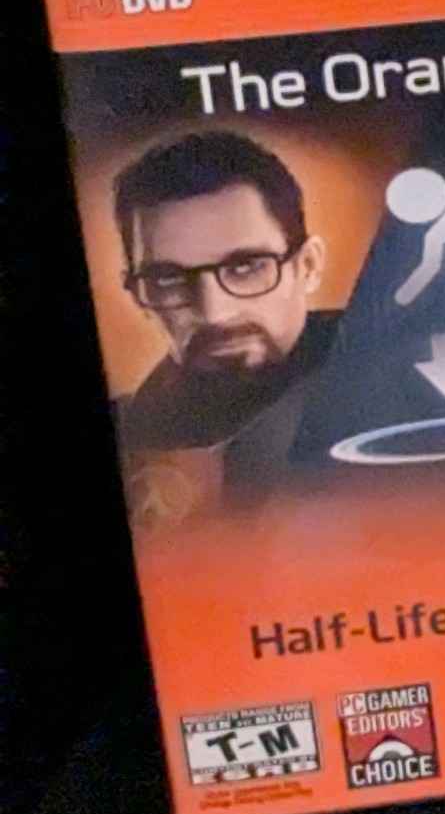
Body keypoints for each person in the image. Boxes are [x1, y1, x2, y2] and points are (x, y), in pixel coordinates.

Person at [109, 130, 337, 524]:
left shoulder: (406, 393)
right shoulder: (123, 436)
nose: (214, 313)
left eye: (245, 267)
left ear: (308, 266)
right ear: (137, 293)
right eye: (168, 279)